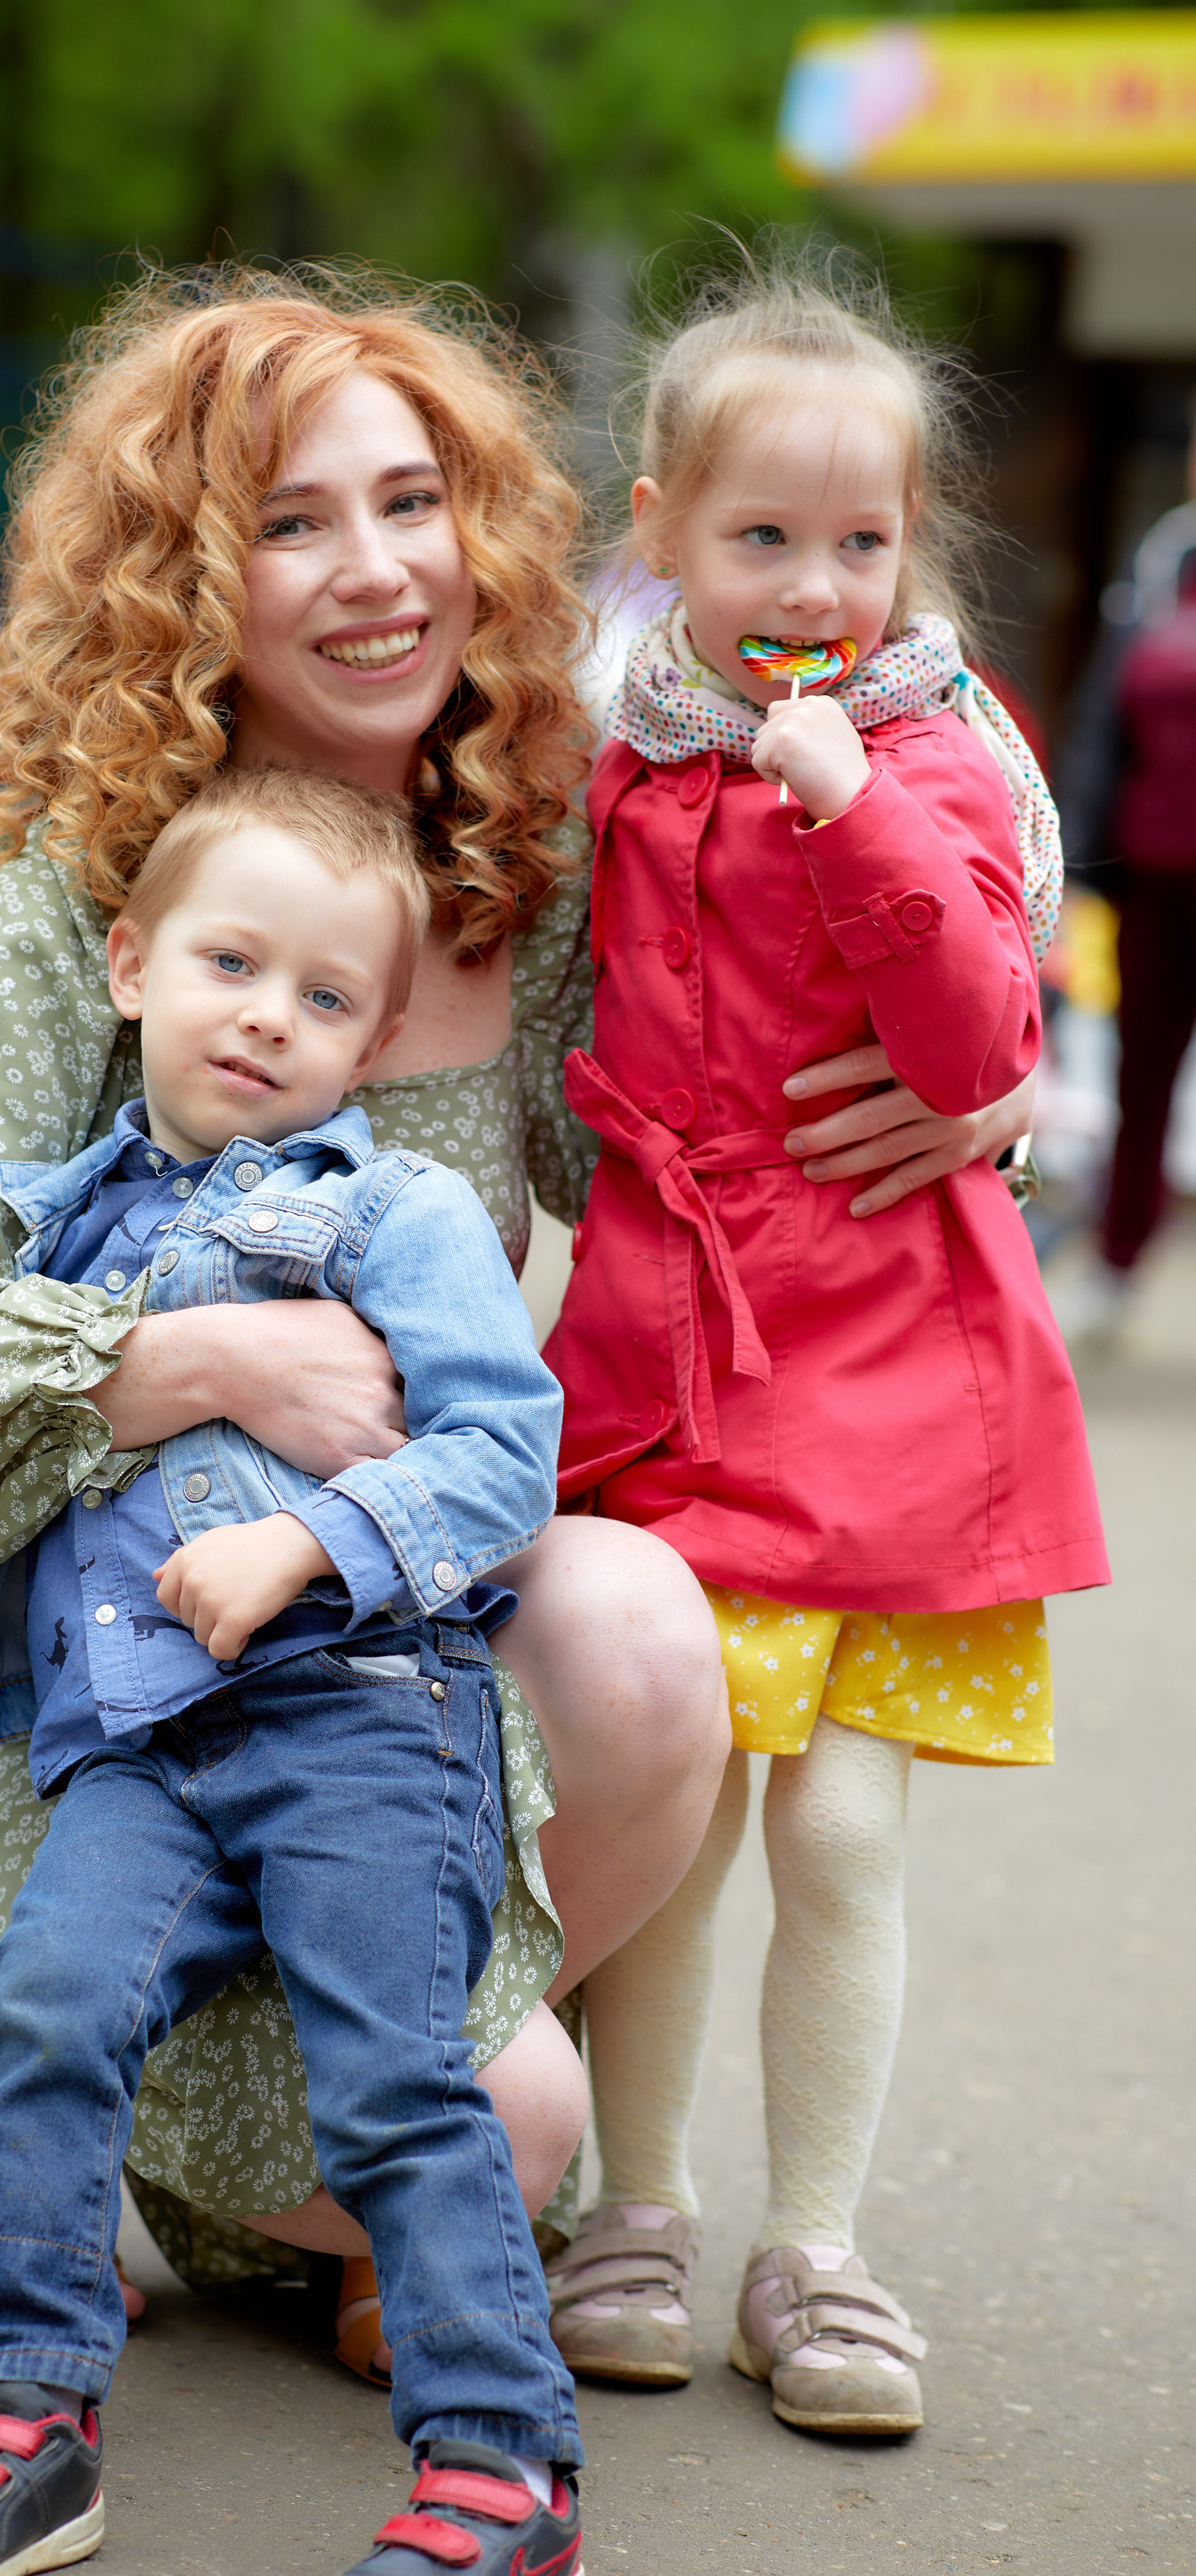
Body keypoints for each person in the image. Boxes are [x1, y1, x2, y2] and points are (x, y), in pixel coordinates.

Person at [0, 268, 1037, 2377]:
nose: (376, 573)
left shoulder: (523, 851)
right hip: (80, 1681)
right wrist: (186, 1362)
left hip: (379, 1649)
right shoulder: (68, 888)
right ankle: (42, 2073)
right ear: (197, 574)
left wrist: (989, 1087)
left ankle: (159, 2096)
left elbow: (922, 746)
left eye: (412, 502)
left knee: (645, 1638)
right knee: (497, 2137)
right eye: (293, 523)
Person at [0, 765, 585, 2576]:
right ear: (128, 965)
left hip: (357, 1722)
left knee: (396, 2070)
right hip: (137, 1741)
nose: (270, 1016)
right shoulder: (57, 1225)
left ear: (379, 1039)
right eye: (232, 964)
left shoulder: (388, 1213)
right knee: (45, 2018)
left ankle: (503, 2465)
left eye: (327, 998)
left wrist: (310, 1543)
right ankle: (23, 2414)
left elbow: (509, 1455)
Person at [539, 257, 1108, 2436]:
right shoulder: (610, 740)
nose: (816, 585)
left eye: (860, 544)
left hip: (888, 1358)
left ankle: (825, 2251)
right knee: (676, 1822)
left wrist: (851, 807)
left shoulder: (936, 754)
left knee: (845, 1841)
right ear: (662, 523)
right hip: (677, 1357)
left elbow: (984, 1035)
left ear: (914, 547)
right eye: (763, 539)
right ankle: (645, 2210)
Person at [1054, 428, 1196, 1342]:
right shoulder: (1164, 563)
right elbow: (1103, 724)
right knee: (1139, 1077)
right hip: (1157, 877)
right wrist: (1073, 867)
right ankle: (1115, 1260)